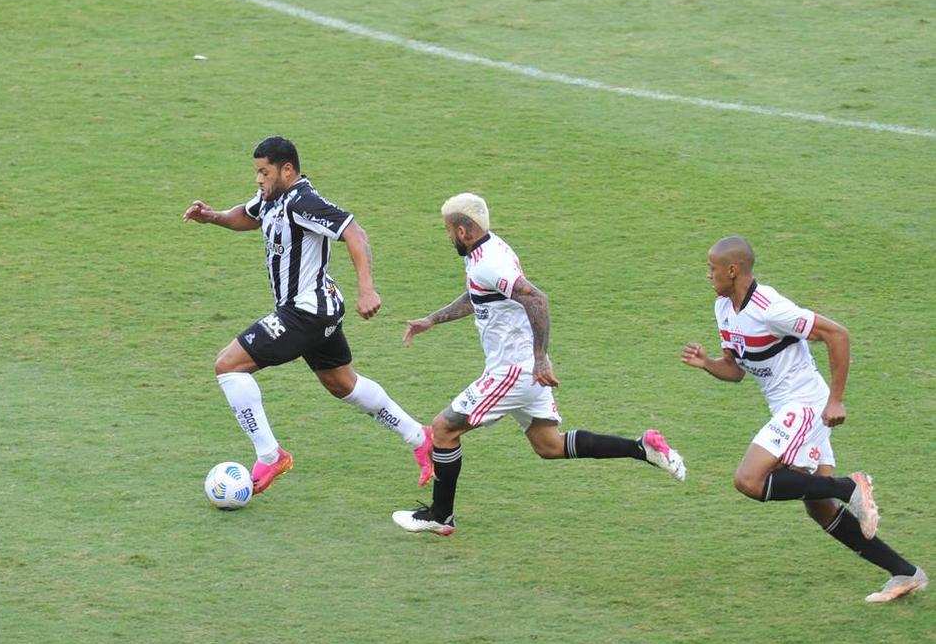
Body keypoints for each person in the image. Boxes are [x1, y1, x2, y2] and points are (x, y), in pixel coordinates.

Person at [392, 193, 686, 536]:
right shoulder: (485, 253)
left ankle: (440, 516)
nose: (448, 238)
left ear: (463, 230)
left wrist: (539, 356)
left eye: (448, 231)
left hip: (514, 371)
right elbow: (479, 296)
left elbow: (536, 297)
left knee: (443, 429)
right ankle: (642, 448)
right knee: (550, 445)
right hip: (523, 372)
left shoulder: (489, 262)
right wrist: (432, 319)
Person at [681, 236, 927, 603]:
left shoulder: (772, 308)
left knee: (748, 480)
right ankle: (905, 572)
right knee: (819, 507)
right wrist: (708, 365)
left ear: (733, 270)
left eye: (712, 269)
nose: (707, 275)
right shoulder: (723, 307)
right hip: (786, 408)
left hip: (806, 404)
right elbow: (735, 369)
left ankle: (851, 486)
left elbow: (836, 334)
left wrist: (836, 400)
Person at [182, 137, 433, 495]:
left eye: (264, 172)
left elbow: (354, 232)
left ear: (287, 170)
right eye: (257, 172)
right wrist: (214, 217)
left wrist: (367, 288)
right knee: (343, 384)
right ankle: (418, 436)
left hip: (304, 313)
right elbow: (249, 215)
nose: (259, 179)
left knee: (228, 366)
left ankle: (270, 456)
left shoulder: (303, 201)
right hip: (320, 310)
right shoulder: (273, 199)